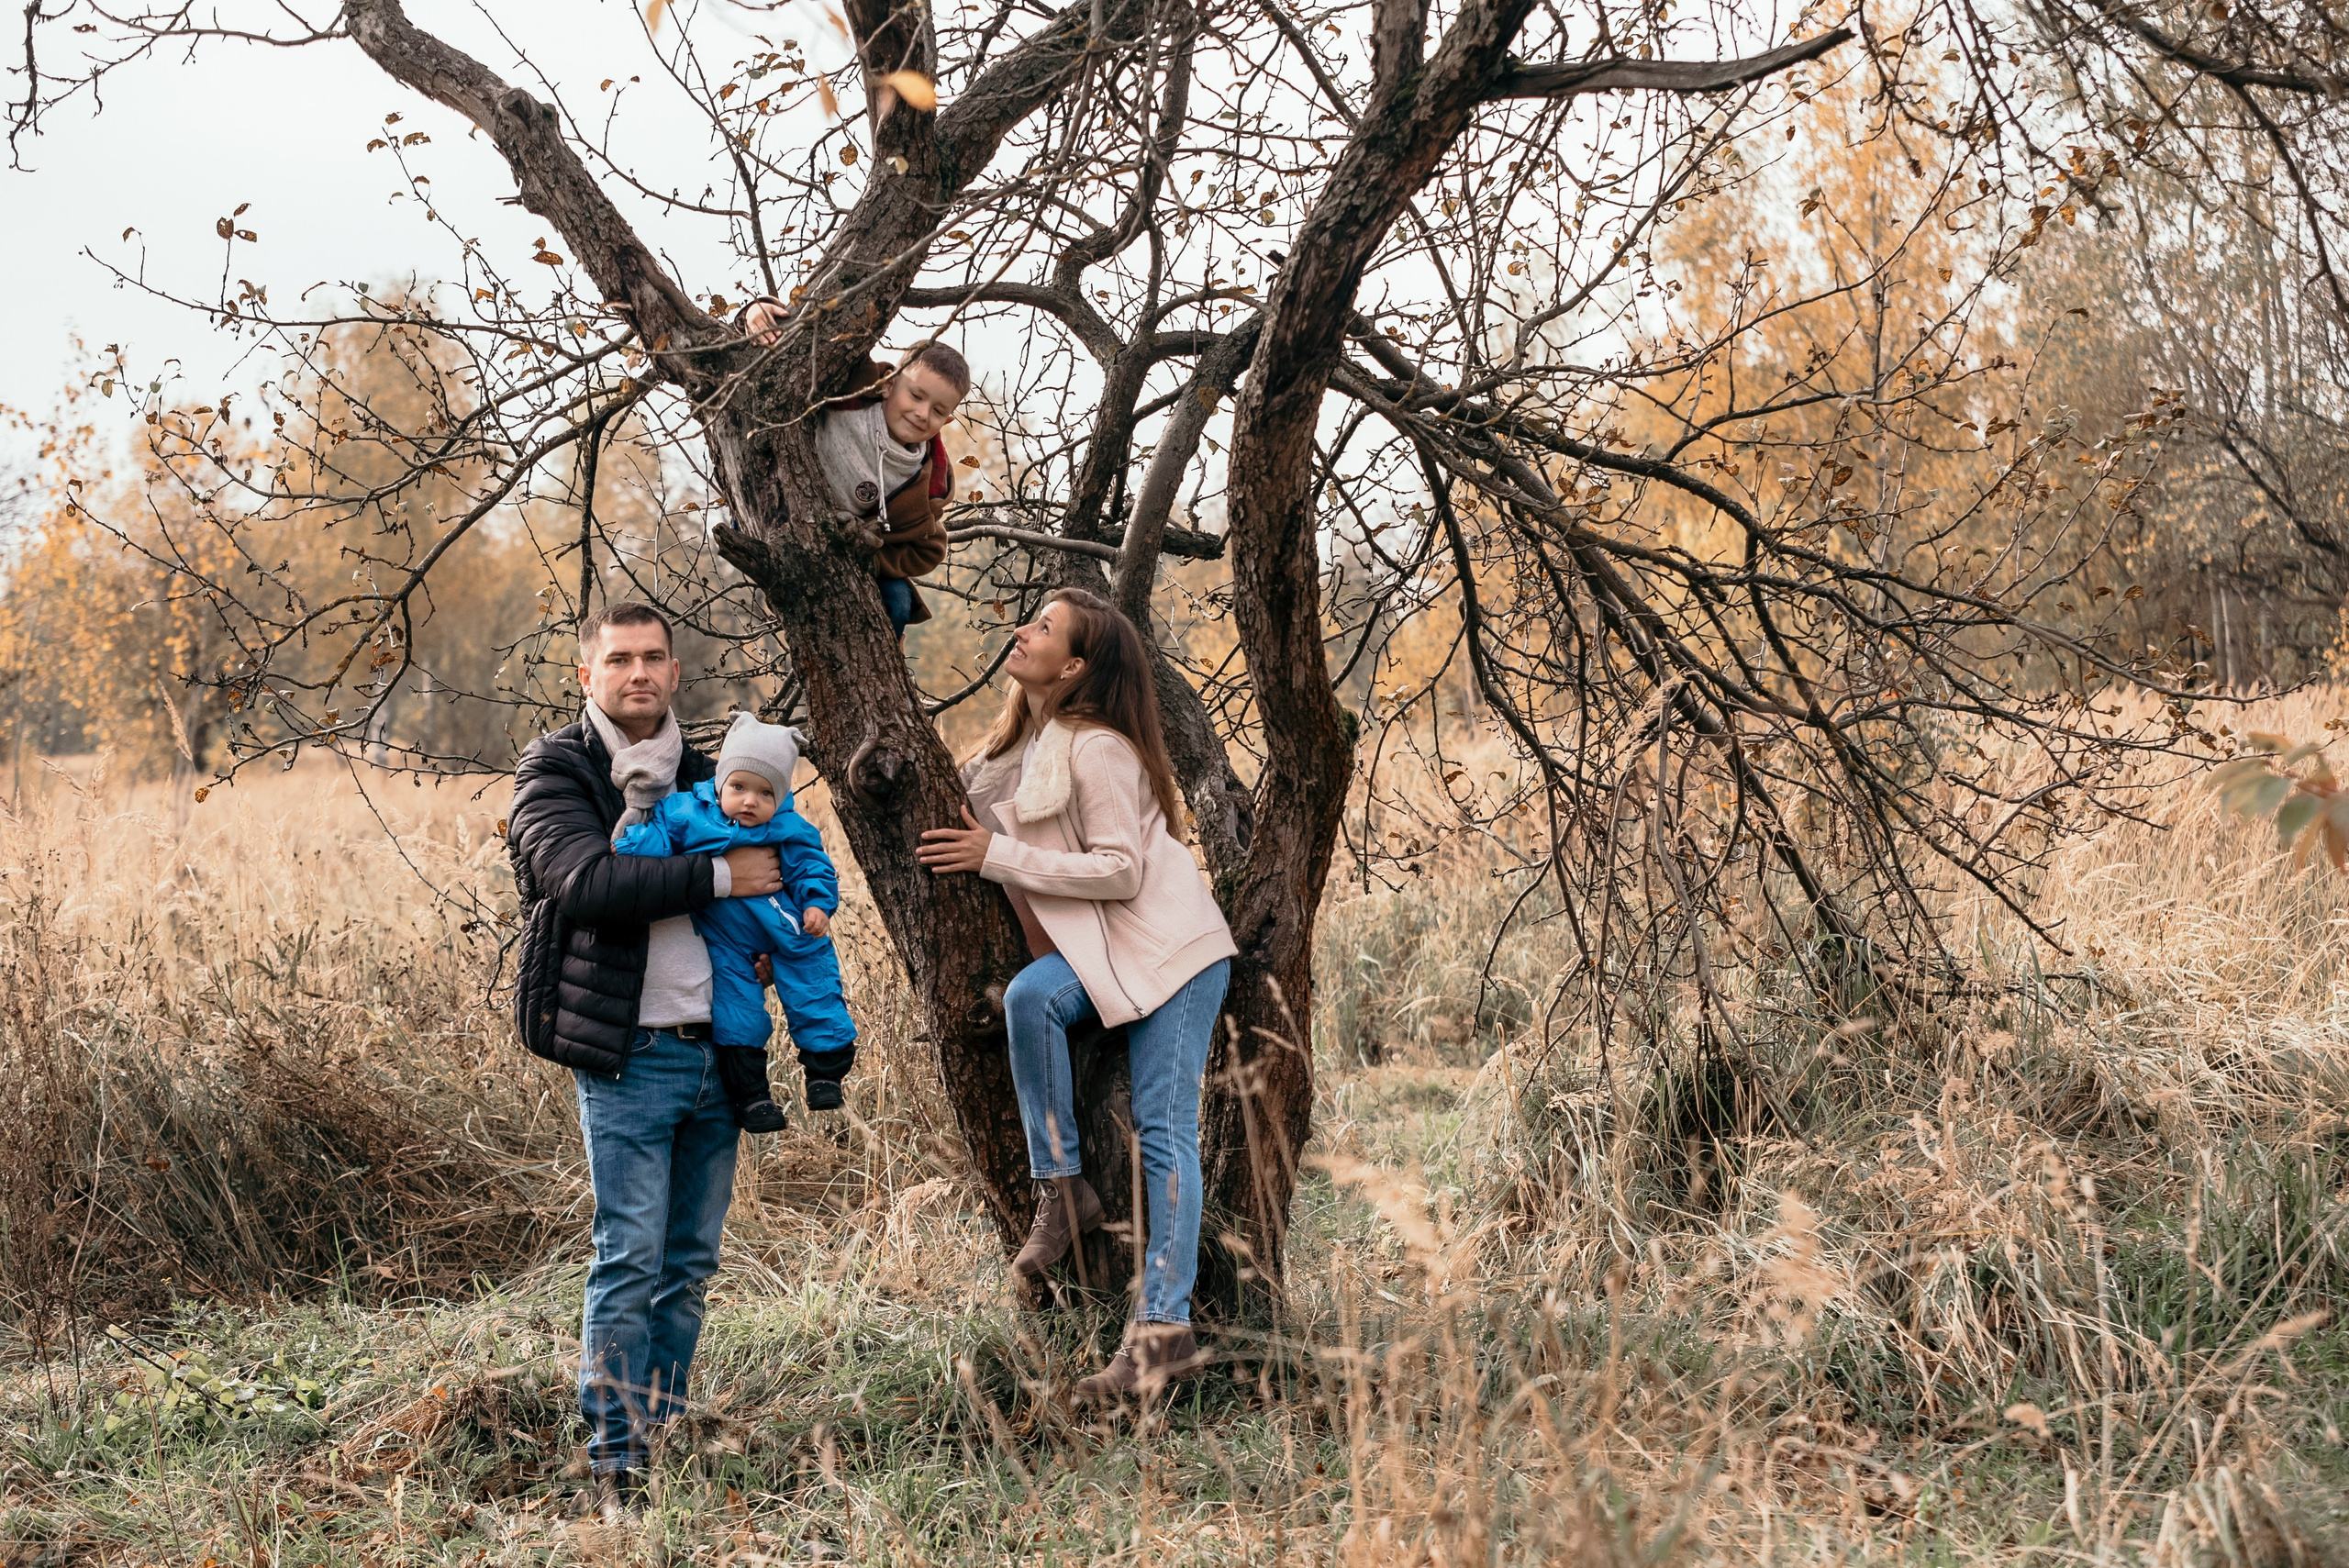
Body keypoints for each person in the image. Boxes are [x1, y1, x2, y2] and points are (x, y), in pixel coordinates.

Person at [916, 587, 1237, 1401]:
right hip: (1105, 953)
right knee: (1031, 999)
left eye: (1044, 628)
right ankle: (1062, 1194)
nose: (1020, 630)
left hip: (1172, 951)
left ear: (1078, 666)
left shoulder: (1094, 747)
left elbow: (1121, 869)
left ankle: (1161, 1333)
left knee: (1165, 1131)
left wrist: (993, 853)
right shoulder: (1017, 751)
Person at [507, 600, 785, 1520]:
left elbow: (776, 874)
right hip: (629, 1054)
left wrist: (769, 931)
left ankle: (659, 1430)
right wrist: (719, 875)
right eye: (619, 658)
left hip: (719, 1053)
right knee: (628, 1255)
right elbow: (586, 881)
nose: (639, 672)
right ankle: (615, 1461)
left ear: (675, 671)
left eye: (654, 657)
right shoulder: (558, 769)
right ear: (586, 674)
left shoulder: (714, 773)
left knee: (690, 1260)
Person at [614, 713, 858, 1124]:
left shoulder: (788, 828)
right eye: (740, 787)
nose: (750, 801)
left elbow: (811, 867)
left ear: (779, 799)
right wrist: (635, 843)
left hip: (787, 926)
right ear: (720, 782)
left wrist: (818, 905)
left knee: (814, 987)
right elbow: (660, 838)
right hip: (726, 942)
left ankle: (824, 1075)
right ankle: (753, 1097)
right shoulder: (686, 812)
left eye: (765, 793)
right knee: (736, 1011)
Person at [739, 296, 965, 637]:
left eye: (937, 411)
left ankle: (881, 658)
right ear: (889, 383)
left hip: (839, 550)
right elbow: (807, 342)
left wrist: (871, 558)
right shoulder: (854, 387)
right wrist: (757, 311)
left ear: (947, 419)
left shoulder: (922, 481)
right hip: (776, 509)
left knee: (899, 604)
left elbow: (930, 548)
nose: (922, 414)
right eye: (916, 396)